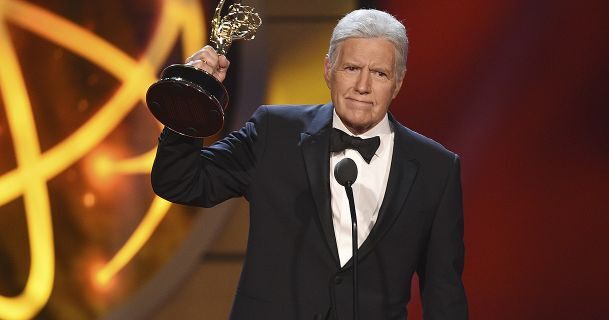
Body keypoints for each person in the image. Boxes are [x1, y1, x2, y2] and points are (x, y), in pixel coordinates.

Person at [151, 9, 468, 320]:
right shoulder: (274, 132)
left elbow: (444, 296)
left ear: (398, 82)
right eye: (351, 68)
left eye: (380, 73)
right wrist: (188, 102)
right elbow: (179, 181)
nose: (362, 85)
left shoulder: (436, 169)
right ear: (328, 69)